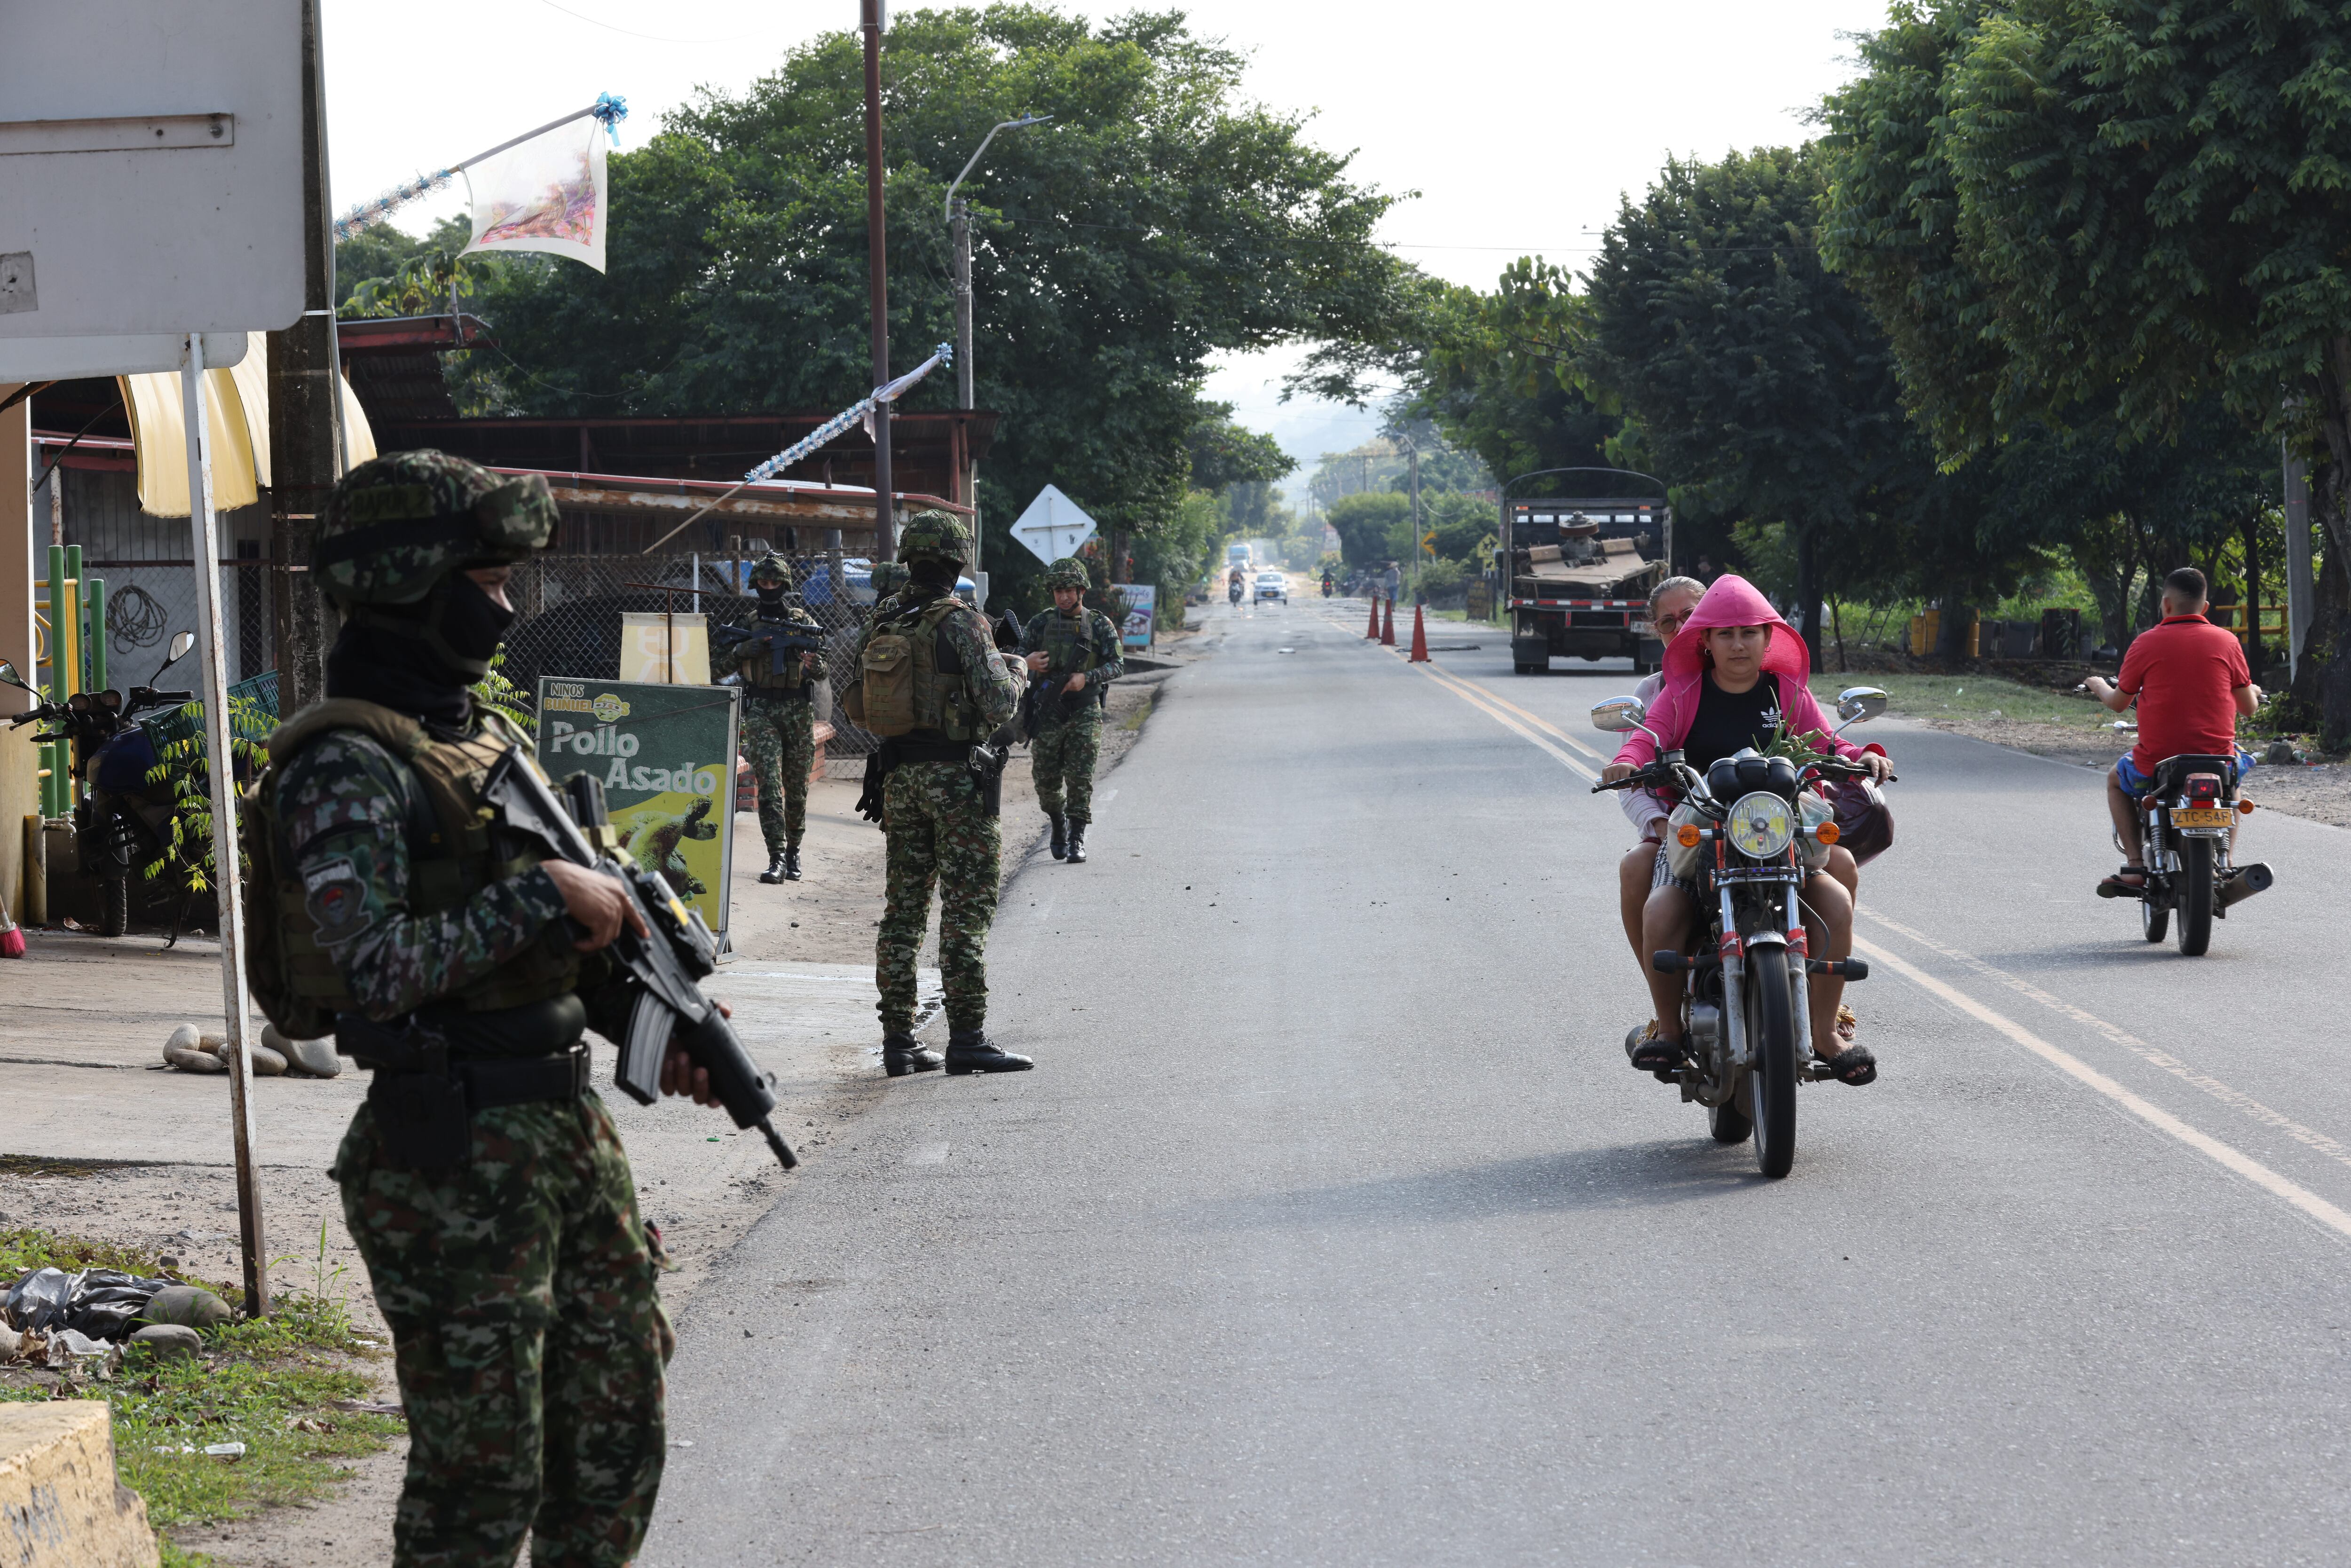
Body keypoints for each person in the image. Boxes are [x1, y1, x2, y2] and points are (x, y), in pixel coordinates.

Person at [271, 449, 722, 1567]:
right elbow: (369, 966)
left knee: (614, 1431)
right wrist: (539, 894)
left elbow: (569, 942)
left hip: (565, 1131)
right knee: (484, 1477)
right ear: (412, 585)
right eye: (485, 578)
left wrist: (651, 1024)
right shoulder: (344, 765)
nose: (507, 604)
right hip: (449, 1149)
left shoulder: (482, 737)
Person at [1600, 575, 1892, 1085]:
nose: (1737, 644)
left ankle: (1825, 1030)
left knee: (1837, 900)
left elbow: (1827, 744)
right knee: (1661, 906)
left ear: (1768, 638)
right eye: (1724, 633)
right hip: (1705, 830)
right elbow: (1644, 743)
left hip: (1777, 832)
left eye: (1749, 633)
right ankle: (1668, 1029)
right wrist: (1626, 762)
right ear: (1705, 642)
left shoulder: (1786, 692)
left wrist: (1862, 755)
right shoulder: (1682, 692)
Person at [855, 512, 1029, 1076]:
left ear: (909, 558)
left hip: (899, 779)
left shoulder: (882, 618)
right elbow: (1000, 705)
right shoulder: (964, 622)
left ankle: (899, 1041)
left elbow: (857, 698)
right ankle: (968, 1038)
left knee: (902, 911)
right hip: (957, 782)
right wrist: (1016, 664)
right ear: (957, 562)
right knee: (965, 910)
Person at [2084, 567, 2259, 893]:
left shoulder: (2145, 643)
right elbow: (2248, 707)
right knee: (2233, 781)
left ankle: (2136, 865)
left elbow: (2119, 703)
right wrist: (2255, 692)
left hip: (2157, 763)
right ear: (2205, 608)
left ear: (2166, 605)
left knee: (2114, 780)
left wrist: (2097, 685)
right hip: (2216, 761)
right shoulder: (2228, 642)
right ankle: (2227, 860)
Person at [713, 552, 825, 884]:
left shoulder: (801, 620)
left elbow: (823, 670)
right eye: (764, 582)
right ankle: (776, 855)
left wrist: (811, 664)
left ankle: (794, 851)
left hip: (799, 714)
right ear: (755, 584)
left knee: (796, 788)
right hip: (761, 710)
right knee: (771, 787)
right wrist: (741, 652)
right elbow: (715, 667)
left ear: (786, 584)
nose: (770, 587)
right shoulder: (747, 625)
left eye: (776, 582)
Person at [1020, 557, 1127, 863]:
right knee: (1046, 781)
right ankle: (1058, 824)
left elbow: (1118, 665)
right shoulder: (1040, 623)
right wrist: (1028, 663)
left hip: (1085, 710)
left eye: (1069, 590)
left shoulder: (1099, 624)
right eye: (1058, 591)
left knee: (1080, 777)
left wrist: (1087, 678)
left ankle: (1077, 836)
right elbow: (1013, 659)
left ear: (1082, 590)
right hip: (1049, 710)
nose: (1063, 596)